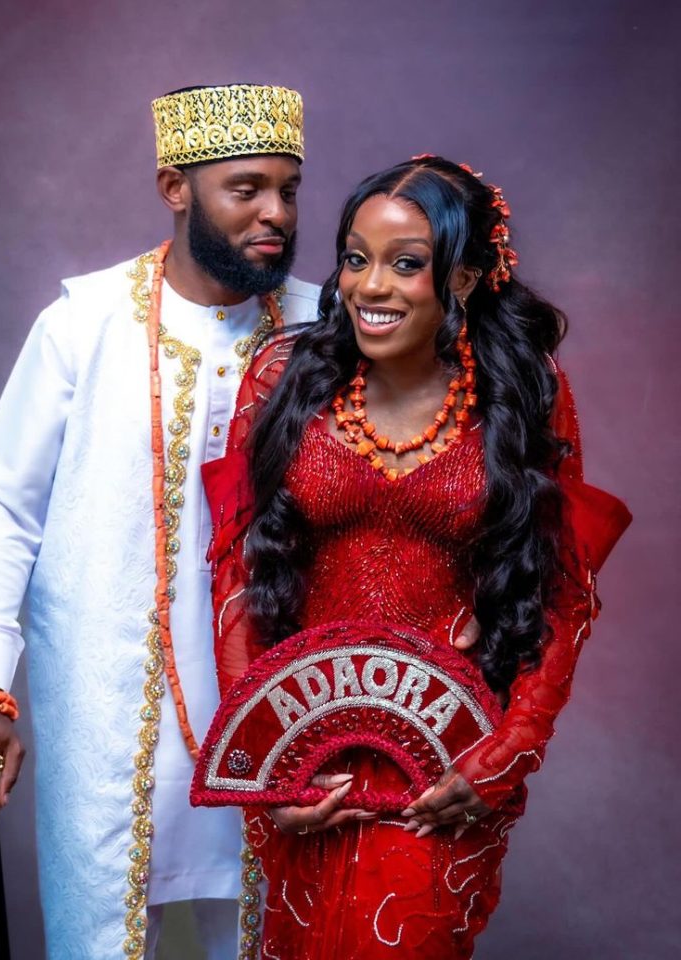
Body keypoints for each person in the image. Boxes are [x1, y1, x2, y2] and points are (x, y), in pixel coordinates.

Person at [201, 154, 631, 958]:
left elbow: (564, 594)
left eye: (405, 264)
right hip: (311, 758)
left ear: (463, 278)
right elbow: (237, 576)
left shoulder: (525, 395)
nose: (370, 286)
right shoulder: (284, 380)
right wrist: (266, 767)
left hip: (446, 767)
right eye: (355, 258)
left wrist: (505, 756)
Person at [0, 83, 320, 960]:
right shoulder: (85, 324)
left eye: (289, 190)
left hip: (279, 716)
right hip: (109, 719)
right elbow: (2, 506)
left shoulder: (323, 326)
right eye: (247, 189)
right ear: (174, 188)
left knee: (272, 931)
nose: (276, 213)